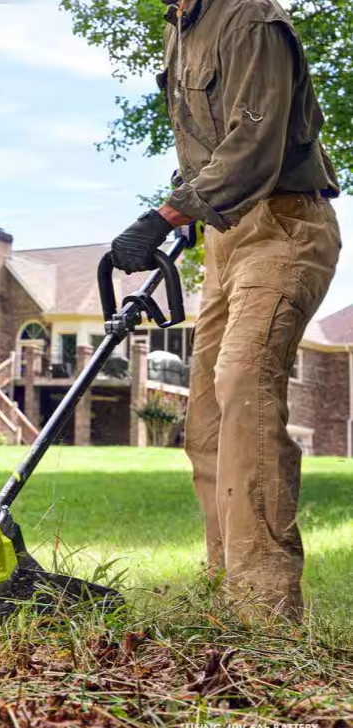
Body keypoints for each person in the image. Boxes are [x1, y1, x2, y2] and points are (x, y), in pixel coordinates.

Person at [109, 0, 341, 620]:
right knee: (207, 416)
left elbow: (255, 145)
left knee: (243, 386)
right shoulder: (178, 26)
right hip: (225, 237)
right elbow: (207, 151)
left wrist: (163, 216)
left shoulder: (252, 19)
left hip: (287, 228)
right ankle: (225, 597)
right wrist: (193, 215)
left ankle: (265, 610)